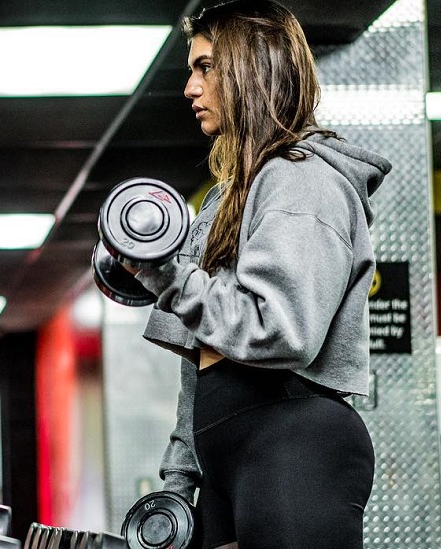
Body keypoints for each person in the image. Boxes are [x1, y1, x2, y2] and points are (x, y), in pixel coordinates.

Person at [126, 1, 392, 547]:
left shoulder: (302, 182)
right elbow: (201, 363)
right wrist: (180, 477)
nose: (189, 89)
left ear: (251, 70)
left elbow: (281, 330)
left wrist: (169, 276)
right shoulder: (226, 199)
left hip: (292, 439)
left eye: (205, 67)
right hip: (226, 449)